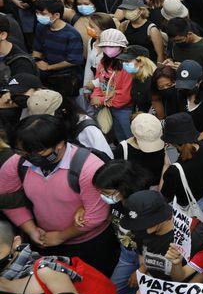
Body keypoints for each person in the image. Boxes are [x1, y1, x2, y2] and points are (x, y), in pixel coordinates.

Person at [0, 115, 119, 276]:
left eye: (38, 151)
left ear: (60, 145)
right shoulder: (20, 162)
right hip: (45, 243)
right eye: (23, 152)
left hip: (89, 246)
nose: (30, 157)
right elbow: (7, 196)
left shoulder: (88, 167)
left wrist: (60, 236)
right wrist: (30, 229)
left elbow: (95, 215)